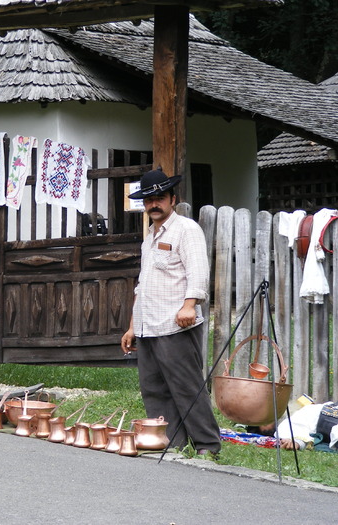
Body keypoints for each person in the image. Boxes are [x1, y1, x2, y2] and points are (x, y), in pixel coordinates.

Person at [120, 168, 221, 456]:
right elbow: (143, 285)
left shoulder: (186, 229)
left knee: (187, 387)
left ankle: (207, 445)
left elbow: (199, 272)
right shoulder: (149, 237)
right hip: (148, 325)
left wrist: (190, 305)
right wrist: (131, 326)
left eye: (160, 198)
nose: (154, 204)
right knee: (153, 388)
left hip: (176, 323)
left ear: (172, 199)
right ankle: (172, 442)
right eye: (149, 199)